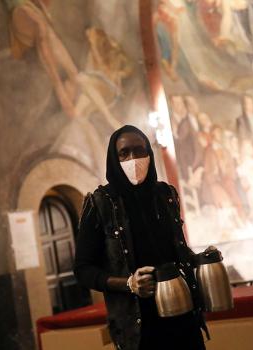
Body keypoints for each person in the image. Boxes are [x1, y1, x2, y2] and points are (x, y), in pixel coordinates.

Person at [74, 125, 208, 350]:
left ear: (150, 154)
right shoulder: (100, 203)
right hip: (138, 325)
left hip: (183, 311)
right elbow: (83, 270)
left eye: (139, 150)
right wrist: (128, 283)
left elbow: (176, 249)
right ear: (114, 159)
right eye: (124, 153)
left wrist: (200, 259)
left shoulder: (165, 195)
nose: (133, 158)